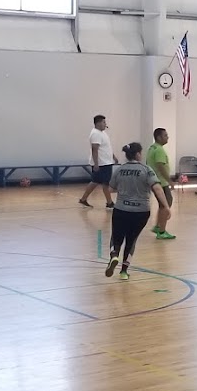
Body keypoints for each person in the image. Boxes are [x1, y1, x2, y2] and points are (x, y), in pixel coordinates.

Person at [105, 142, 168, 281]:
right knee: (131, 240)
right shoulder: (146, 169)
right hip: (141, 211)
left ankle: (114, 254)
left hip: (121, 209)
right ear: (138, 154)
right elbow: (157, 188)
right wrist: (166, 206)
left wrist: (124, 188)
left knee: (116, 236)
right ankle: (124, 271)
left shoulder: (120, 170)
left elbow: (110, 189)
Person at [79, 114, 116, 209]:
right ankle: (109, 203)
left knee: (101, 182)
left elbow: (107, 147)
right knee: (98, 182)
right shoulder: (95, 134)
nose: (105, 124)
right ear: (98, 123)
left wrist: (113, 157)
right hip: (101, 163)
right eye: (104, 122)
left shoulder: (102, 133)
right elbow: (94, 149)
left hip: (106, 162)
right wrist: (96, 164)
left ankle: (108, 202)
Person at [147, 127, 176, 240]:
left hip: (154, 181)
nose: (167, 137)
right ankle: (162, 231)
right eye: (165, 135)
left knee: (161, 205)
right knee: (166, 204)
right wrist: (170, 181)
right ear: (159, 137)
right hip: (161, 182)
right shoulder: (159, 150)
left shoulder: (151, 148)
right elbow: (160, 166)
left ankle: (158, 226)